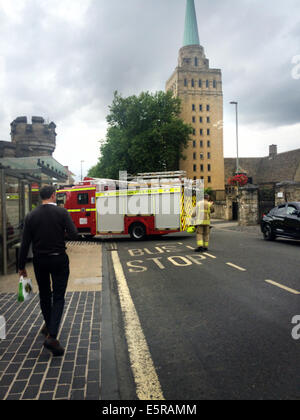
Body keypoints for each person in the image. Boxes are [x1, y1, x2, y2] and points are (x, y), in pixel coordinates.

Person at [18, 185, 78, 357]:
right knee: (58, 297)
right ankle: (52, 336)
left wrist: (21, 267)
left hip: (40, 261)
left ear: (40, 197)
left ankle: (49, 325)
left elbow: (25, 244)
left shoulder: (31, 216)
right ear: (53, 195)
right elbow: (73, 234)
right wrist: (61, 234)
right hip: (59, 258)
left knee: (45, 295)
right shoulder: (62, 213)